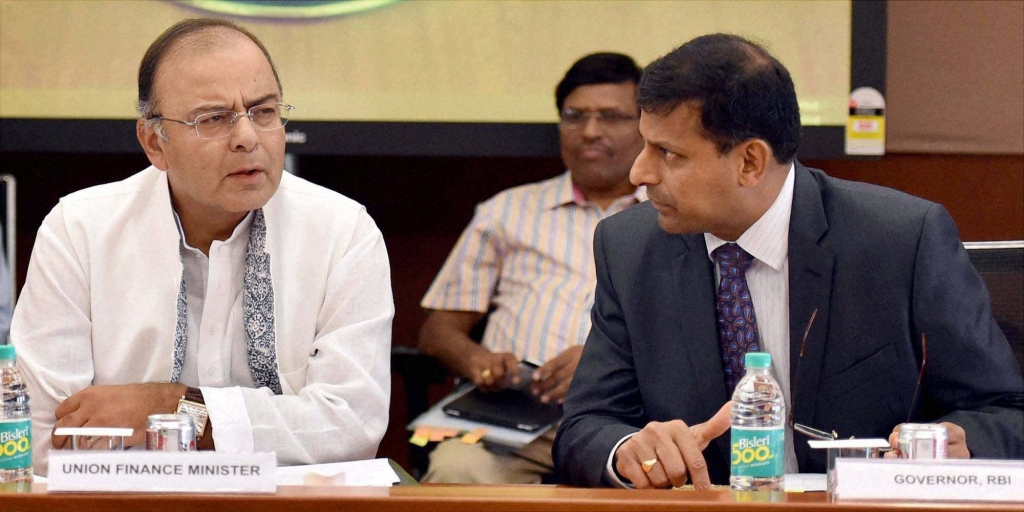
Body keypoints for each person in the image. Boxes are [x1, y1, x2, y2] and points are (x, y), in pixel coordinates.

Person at [554, 34, 1024, 489]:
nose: (639, 172)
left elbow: (1006, 411)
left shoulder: (901, 240)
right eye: (644, 144)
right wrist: (628, 449)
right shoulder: (629, 248)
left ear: (751, 163)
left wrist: (958, 442)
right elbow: (585, 427)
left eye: (668, 153)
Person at [11, 18, 393, 475]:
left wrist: (173, 407)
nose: (248, 137)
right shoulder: (79, 232)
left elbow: (351, 425)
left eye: (264, 111)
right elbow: (41, 437)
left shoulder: (343, 232)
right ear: (155, 142)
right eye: (213, 119)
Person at [417, 52, 646, 484]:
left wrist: (604, 364)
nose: (590, 131)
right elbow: (438, 329)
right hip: (510, 416)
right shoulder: (507, 211)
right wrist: (479, 361)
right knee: (456, 470)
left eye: (612, 117)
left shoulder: (673, 215)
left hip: (626, 419)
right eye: (575, 116)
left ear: (646, 126)